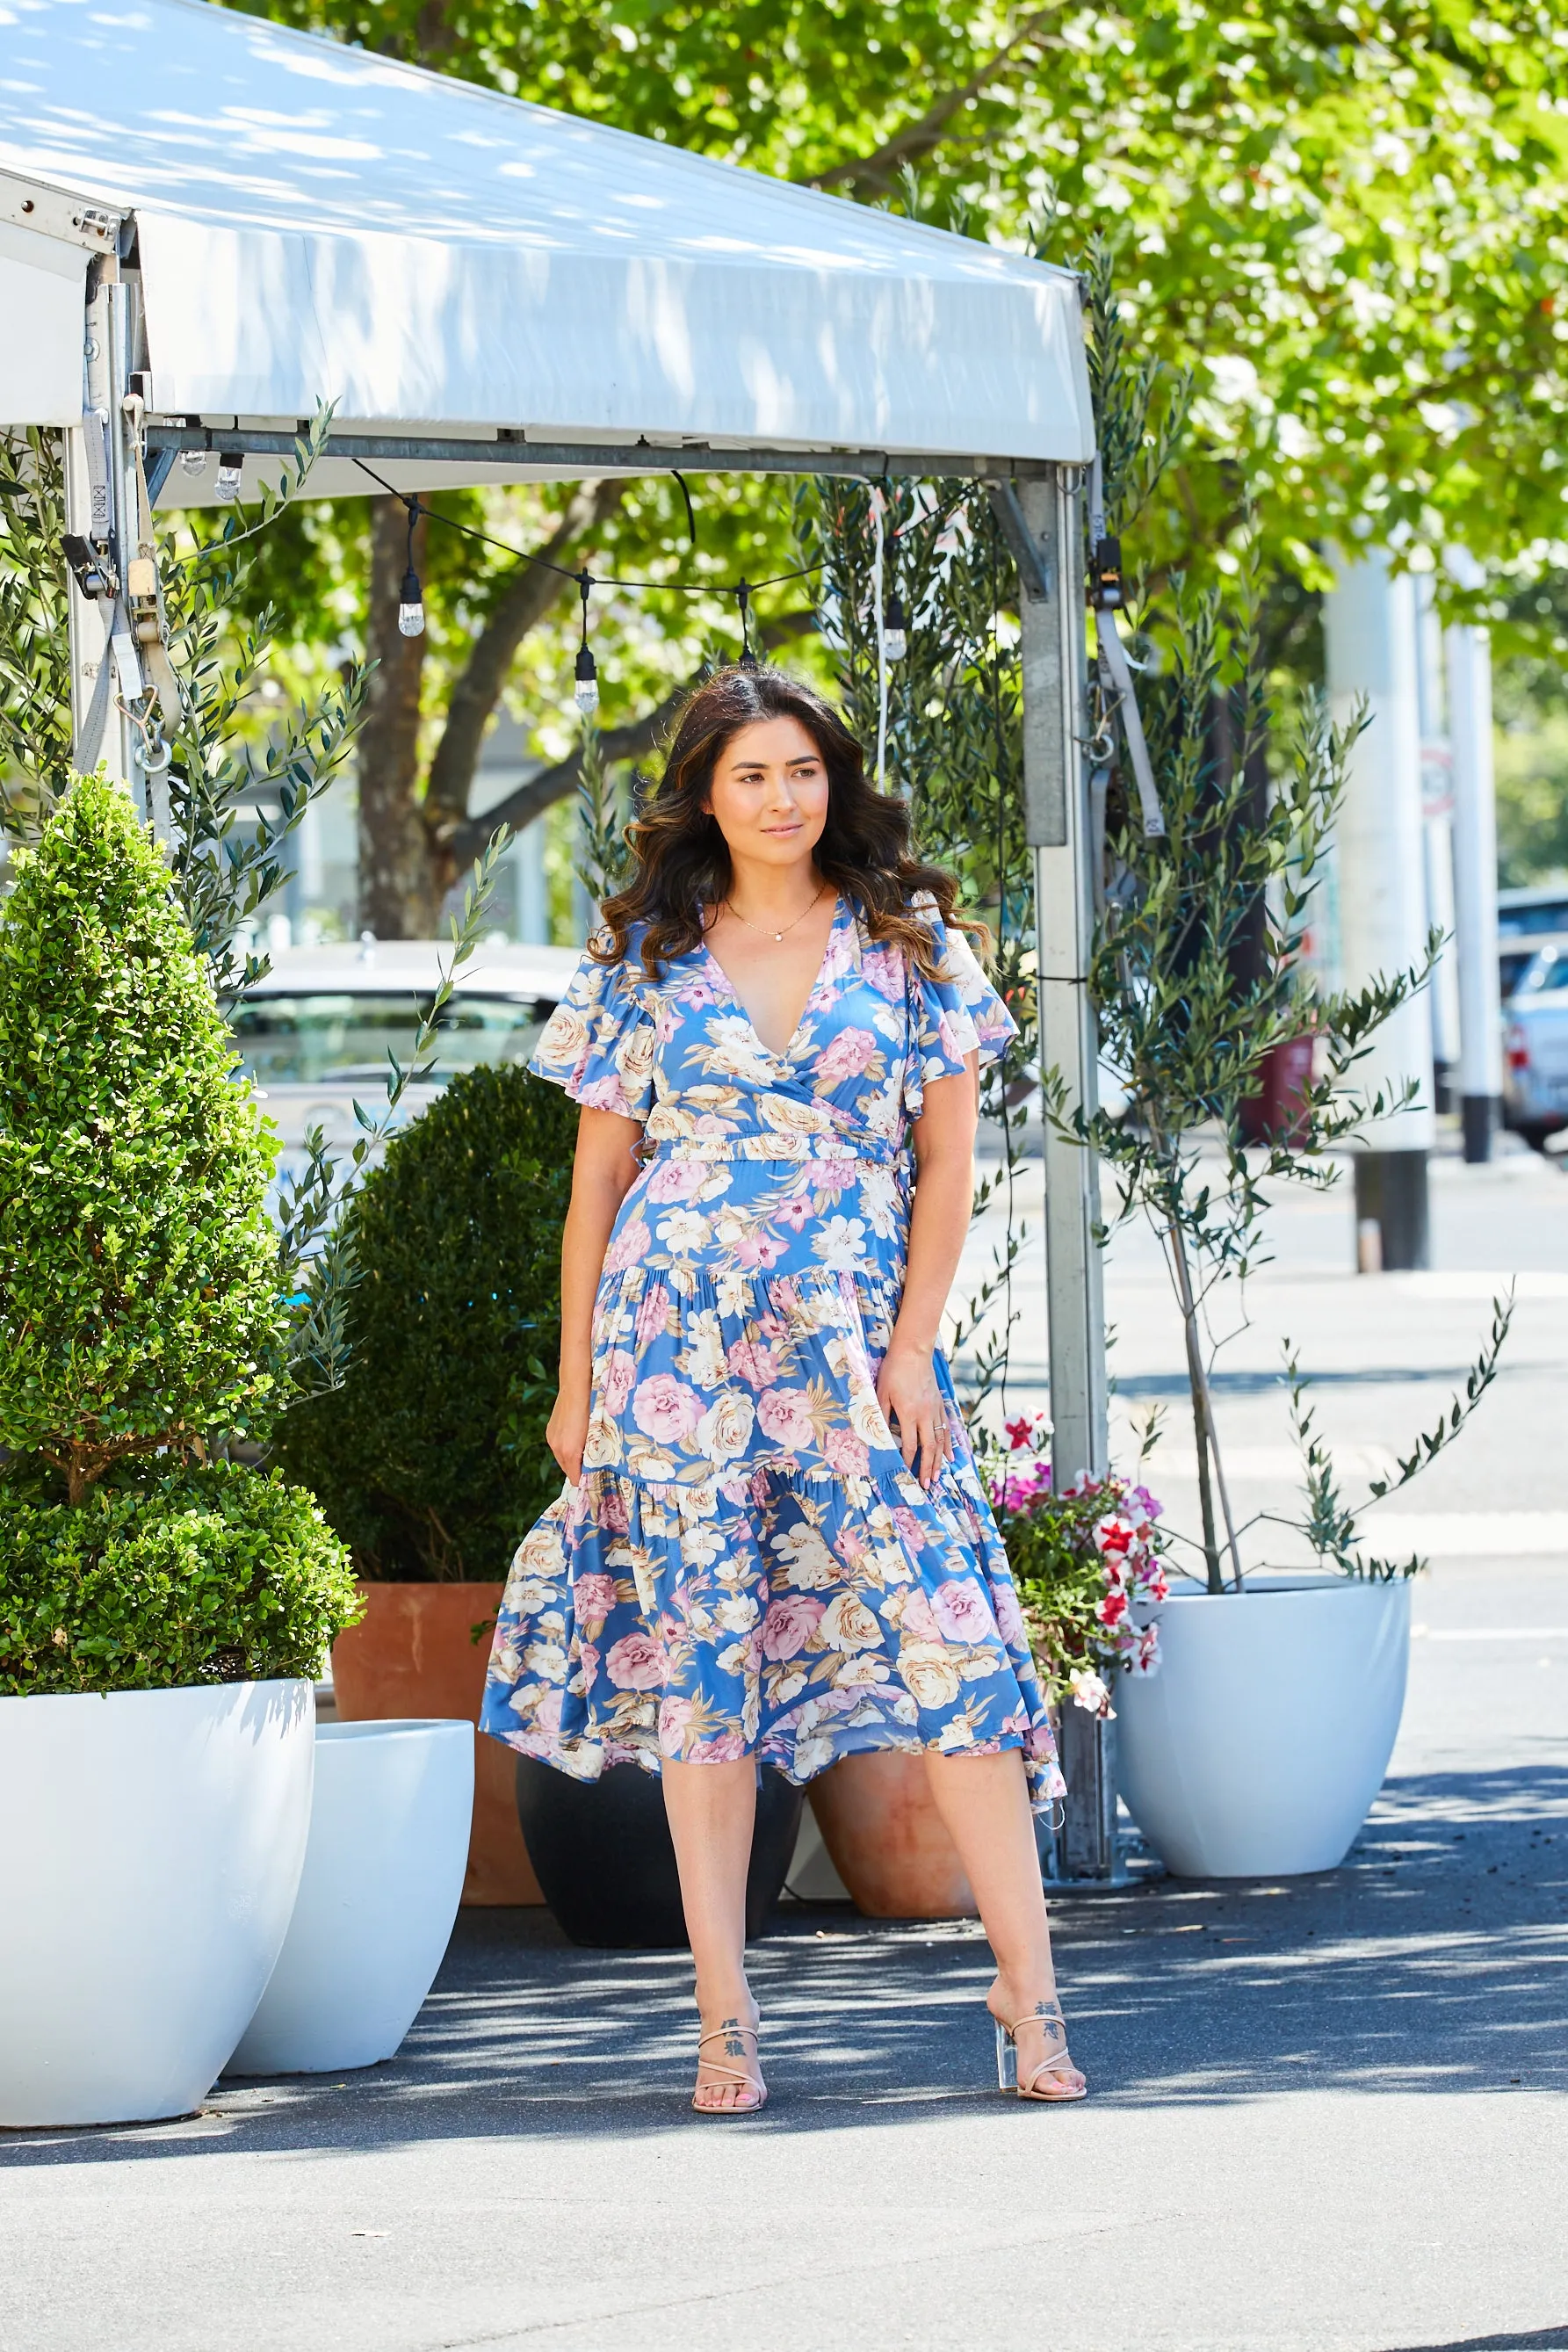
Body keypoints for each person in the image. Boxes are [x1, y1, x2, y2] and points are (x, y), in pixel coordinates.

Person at [481, 665, 1086, 2114]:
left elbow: (950, 1163)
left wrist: (917, 1342)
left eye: (804, 771)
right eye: (751, 775)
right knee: (705, 1683)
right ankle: (725, 2013)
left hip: (852, 1357)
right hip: (669, 1360)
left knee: (952, 1651)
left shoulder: (909, 942)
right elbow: (597, 1184)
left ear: (835, 782)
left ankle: (1032, 1987)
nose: (781, 798)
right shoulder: (639, 952)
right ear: (704, 793)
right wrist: (574, 1382)